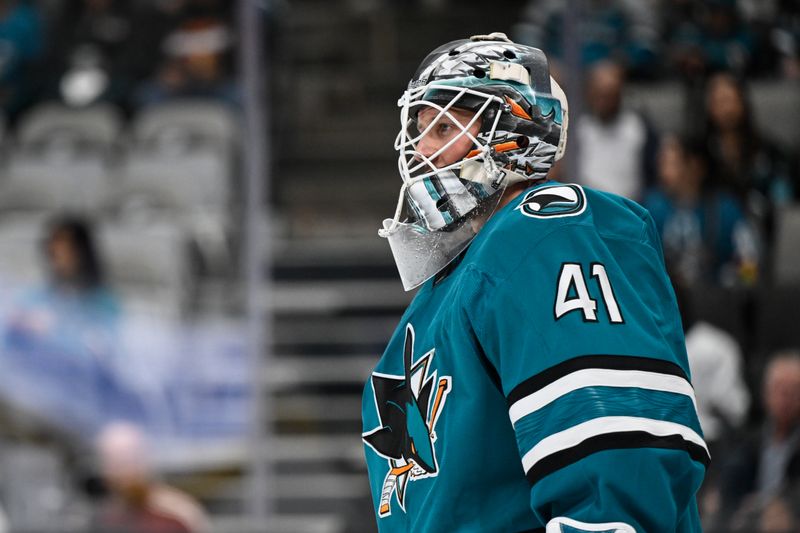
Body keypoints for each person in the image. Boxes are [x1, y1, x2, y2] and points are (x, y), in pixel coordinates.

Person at [362, 32, 708, 532]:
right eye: (417, 128)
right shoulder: (442, 291)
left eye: (442, 126)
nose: (420, 148)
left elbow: (616, 452)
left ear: (514, 130)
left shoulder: (546, 233)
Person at [642, 135, 759, 286]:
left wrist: (737, 284)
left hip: (717, 300)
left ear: (695, 167)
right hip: (665, 301)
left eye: (671, 164)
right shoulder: (651, 209)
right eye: (661, 163)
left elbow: (749, 260)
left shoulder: (726, 211)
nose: (663, 172)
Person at [718, 351, 800, 525]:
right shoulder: (750, 441)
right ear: (766, 393)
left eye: (793, 390)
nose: (785, 397)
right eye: (779, 389)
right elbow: (731, 482)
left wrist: (786, 507)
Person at [92, 421, 211, 533]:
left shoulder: (177, 515)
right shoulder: (103, 518)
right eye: (115, 464)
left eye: (127, 461)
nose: (123, 473)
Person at [575, 60, 658, 201]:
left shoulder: (637, 127)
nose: (604, 101)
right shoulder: (579, 129)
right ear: (590, 93)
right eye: (599, 94)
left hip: (630, 208)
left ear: (620, 93)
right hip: (589, 210)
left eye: (610, 94)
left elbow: (653, 173)